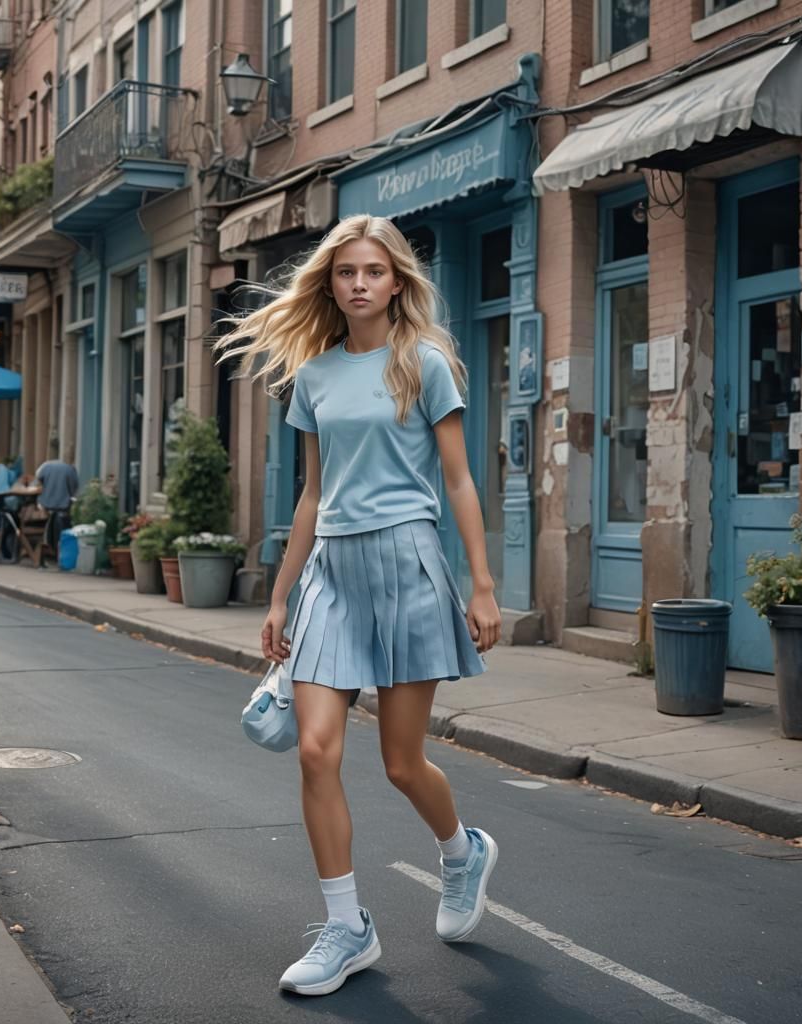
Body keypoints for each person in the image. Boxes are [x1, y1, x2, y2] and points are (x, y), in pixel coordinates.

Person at [215, 215, 502, 997]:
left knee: (403, 764)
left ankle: (461, 852)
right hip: (332, 575)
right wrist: (278, 597)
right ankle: (348, 928)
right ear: (331, 283)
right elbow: (312, 493)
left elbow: (460, 481)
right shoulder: (312, 376)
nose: (359, 283)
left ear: (397, 280)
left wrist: (479, 582)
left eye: (374, 271)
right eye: (346, 272)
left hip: (409, 562)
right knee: (314, 750)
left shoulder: (425, 363)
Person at [34, 443, 79, 554]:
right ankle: (60, 549)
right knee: (65, 522)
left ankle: (46, 545)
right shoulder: (70, 470)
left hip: (46, 503)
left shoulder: (45, 466)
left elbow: (37, 482)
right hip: (62, 504)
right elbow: (74, 488)